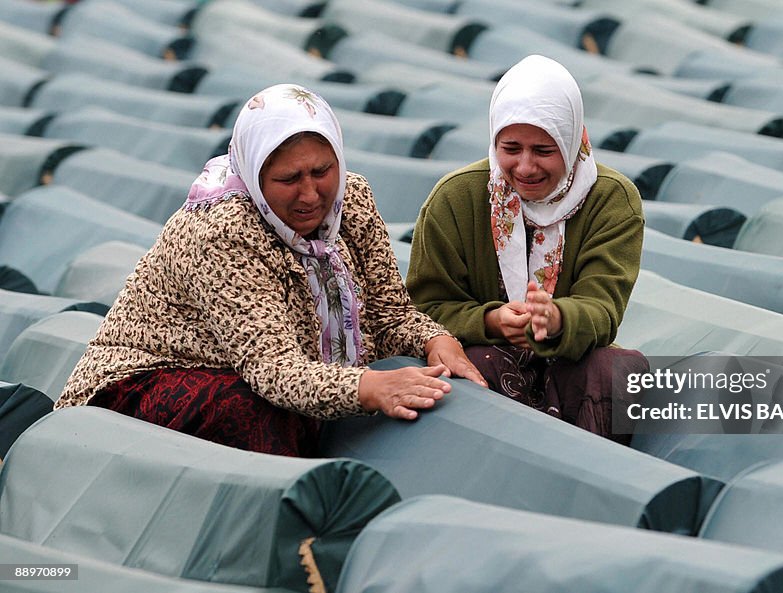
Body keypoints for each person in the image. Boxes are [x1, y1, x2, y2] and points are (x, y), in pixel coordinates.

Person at [56, 83, 485, 457]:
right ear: (254, 172)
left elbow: (388, 314)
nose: (311, 193)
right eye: (288, 178)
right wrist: (370, 388)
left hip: (257, 370)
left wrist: (435, 339)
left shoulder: (351, 201)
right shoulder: (221, 233)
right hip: (147, 381)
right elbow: (273, 369)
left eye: (322, 170)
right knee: (258, 414)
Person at [407, 55, 649, 442]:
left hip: (572, 359)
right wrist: (489, 321)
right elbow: (423, 310)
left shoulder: (611, 199)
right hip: (488, 359)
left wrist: (555, 320)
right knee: (472, 368)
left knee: (614, 370)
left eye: (543, 150)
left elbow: (603, 310)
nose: (525, 166)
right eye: (511, 148)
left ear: (571, 141)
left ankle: (591, 478)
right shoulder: (455, 198)